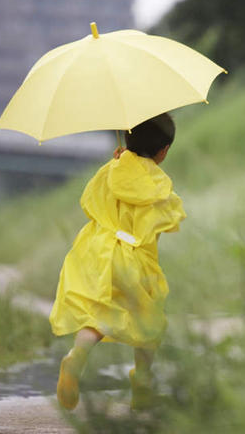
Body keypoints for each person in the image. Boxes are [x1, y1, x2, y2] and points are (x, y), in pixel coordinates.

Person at [49, 112, 186, 411]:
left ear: (126, 139)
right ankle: (143, 385)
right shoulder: (156, 180)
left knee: (97, 318)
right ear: (163, 152)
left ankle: (76, 358)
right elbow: (166, 218)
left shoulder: (110, 170)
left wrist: (118, 164)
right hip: (134, 258)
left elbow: (89, 200)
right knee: (150, 325)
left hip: (96, 252)